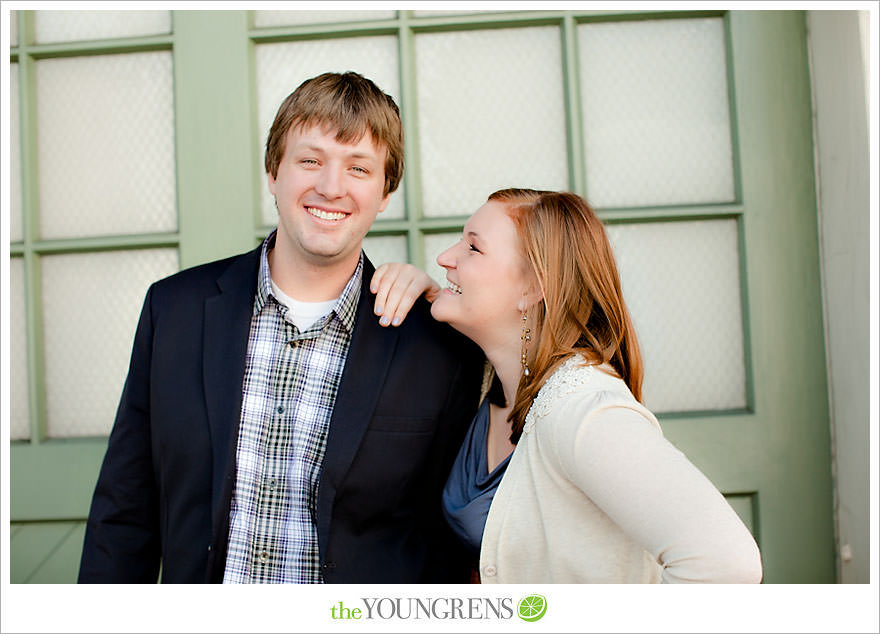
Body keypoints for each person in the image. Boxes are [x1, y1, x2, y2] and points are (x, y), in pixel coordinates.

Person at [78, 72, 483, 584]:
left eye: (358, 168)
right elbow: (124, 511)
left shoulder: (434, 343)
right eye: (310, 160)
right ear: (274, 171)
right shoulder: (175, 310)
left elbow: (446, 543)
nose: (331, 187)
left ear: (385, 192)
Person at [370, 188, 764, 583]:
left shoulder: (584, 410)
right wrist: (413, 289)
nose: (445, 258)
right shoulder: (485, 381)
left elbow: (727, 563)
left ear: (532, 288)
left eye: (473, 248)